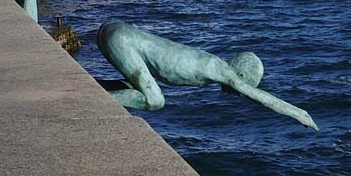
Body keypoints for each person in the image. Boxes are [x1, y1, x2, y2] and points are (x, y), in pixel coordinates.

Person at [96, 22, 319, 130]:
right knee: (155, 101)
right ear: (240, 73)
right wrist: (299, 113)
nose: (237, 91)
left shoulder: (210, 61)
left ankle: (94, 88)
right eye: (243, 82)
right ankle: (91, 101)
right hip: (121, 40)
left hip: (117, 32)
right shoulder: (221, 70)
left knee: (135, 89)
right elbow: (258, 96)